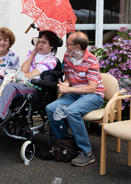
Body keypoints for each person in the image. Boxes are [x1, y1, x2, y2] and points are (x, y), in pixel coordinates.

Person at [45, 31, 105, 167]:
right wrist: (64, 85)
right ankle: (65, 144)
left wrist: (70, 89)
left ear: (77, 46)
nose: (65, 45)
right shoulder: (67, 56)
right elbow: (67, 80)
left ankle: (87, 153)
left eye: (68, 43)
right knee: (51, 108)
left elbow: (91, 88)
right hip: (74, 94)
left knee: (72, 111)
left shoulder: (92, 60)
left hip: (93, 95)